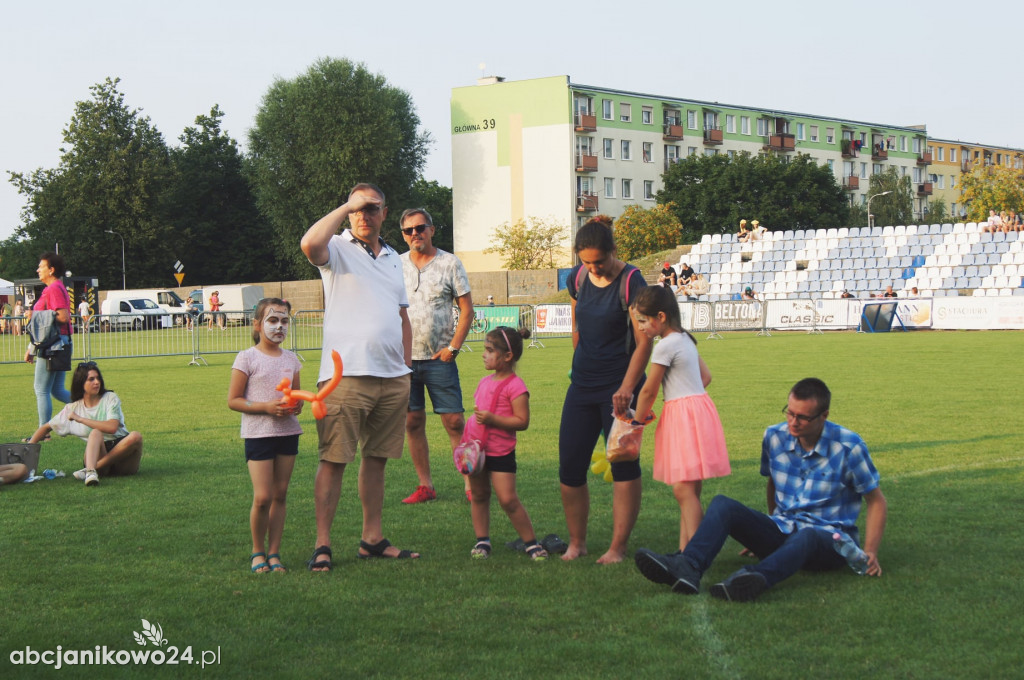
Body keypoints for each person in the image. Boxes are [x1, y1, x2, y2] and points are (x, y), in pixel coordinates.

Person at [634, 378, 887, 602]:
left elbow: (876, 501)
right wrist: (767, 527)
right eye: (790, 413)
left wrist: (871, 551)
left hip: (830, 542)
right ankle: (687, 566)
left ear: (824, 416)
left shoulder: (849, 446)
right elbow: (773, 482)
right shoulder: (775, 436)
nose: (793, 422)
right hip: (785, 527)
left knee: (808, 534)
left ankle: (752, 579)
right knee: (723, 505)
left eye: (802, 417)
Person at [299, 182, 419, 571]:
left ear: (386, 213)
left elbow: (402, 314)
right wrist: (346, 204)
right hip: (344, 375)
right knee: (334, 459)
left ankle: (372, 538)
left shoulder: (393, 259)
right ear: (349, 212)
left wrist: (406, 365)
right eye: (358, 209)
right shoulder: (336, 248)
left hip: (393, 376)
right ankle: (322, 544)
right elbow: (308, 245)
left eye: (373, 208)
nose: (365, 215)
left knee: (378, 459)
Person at [559, 217, 652, 564]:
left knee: (623, 464)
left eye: (600, 261)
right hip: (582, 385)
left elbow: (644, 342)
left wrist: (628, 389)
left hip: (619, 390)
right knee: (570, 466)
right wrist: (577, 359)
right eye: (587, 262)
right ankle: (577, 543)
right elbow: (576, 322)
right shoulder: (578, 277)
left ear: (614, 251)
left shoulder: (631, 281)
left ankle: (617, 547)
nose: (594, 268)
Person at [630, 286, 730, 550]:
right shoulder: (685, 339)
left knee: (683, 490)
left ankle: (694, 557)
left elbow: (649, 389)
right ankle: (685, 551)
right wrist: (687, 393)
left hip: (684, 416)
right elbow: (705, 377)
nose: (640, 327)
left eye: (643, 320)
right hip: (699, 411)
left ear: (660, 317)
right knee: (690, 489)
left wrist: (635, 425)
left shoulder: (665, 345)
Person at [399, 207, 474, 504]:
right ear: (403, 236)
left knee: (454, 421)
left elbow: (467, 310)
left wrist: (453, 348)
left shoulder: (450, 263)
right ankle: (425, 486)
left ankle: (472, 485)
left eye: (420, 228)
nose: (415, 234)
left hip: (438, 359)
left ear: (431, 229)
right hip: (403, 361)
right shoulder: (395, 264)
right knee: (412, 422)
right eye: (409, 230)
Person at [228, 298, 303, 574]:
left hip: (288, 433)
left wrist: (297, 405)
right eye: (273, 320)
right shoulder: (247, 357)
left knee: (280, 494)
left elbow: (297, 398)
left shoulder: (292, 359)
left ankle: (274, 553)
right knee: (263, 497)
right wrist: (266, 408)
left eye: (284, 321)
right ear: (257, 325)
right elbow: (234, 400)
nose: (279, 326)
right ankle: (257, 551)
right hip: (258, 435)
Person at [465, 326, 547, 561]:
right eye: (484, 349)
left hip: (501, 453)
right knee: (479, 494)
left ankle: (531, 543)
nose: (484, 354)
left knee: (508, 499)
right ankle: (482, 541)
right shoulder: (483, 382)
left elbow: (522, 421)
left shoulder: (516, 386)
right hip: (478, 451)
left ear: (507, 356)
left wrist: (493, 419)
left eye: (490, 350)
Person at [27, 361, 143, 487]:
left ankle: (89, 469)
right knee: (95, 433)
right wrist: (27, 451)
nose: (97, 382)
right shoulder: (73, 408)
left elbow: (112, 428)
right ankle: (91, 472)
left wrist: (80, 419)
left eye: (98, 378)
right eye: (91, 379)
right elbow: (45, 427)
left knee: (136, 436)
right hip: (97, 452)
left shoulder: (110, 397)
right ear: (81, 383)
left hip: (122, 454)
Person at [23, 252, 73, 430]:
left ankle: (42, 432)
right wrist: (31, 348)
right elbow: (44, 327)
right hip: (57, 343)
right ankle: (93, 407)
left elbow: (63, 316)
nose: (38, 270)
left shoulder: (54, 289)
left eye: (41, 266)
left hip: (54, 345)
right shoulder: (54, 288)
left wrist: (33, 314)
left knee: (41, 389)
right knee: (56, 390)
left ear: (51, 270)